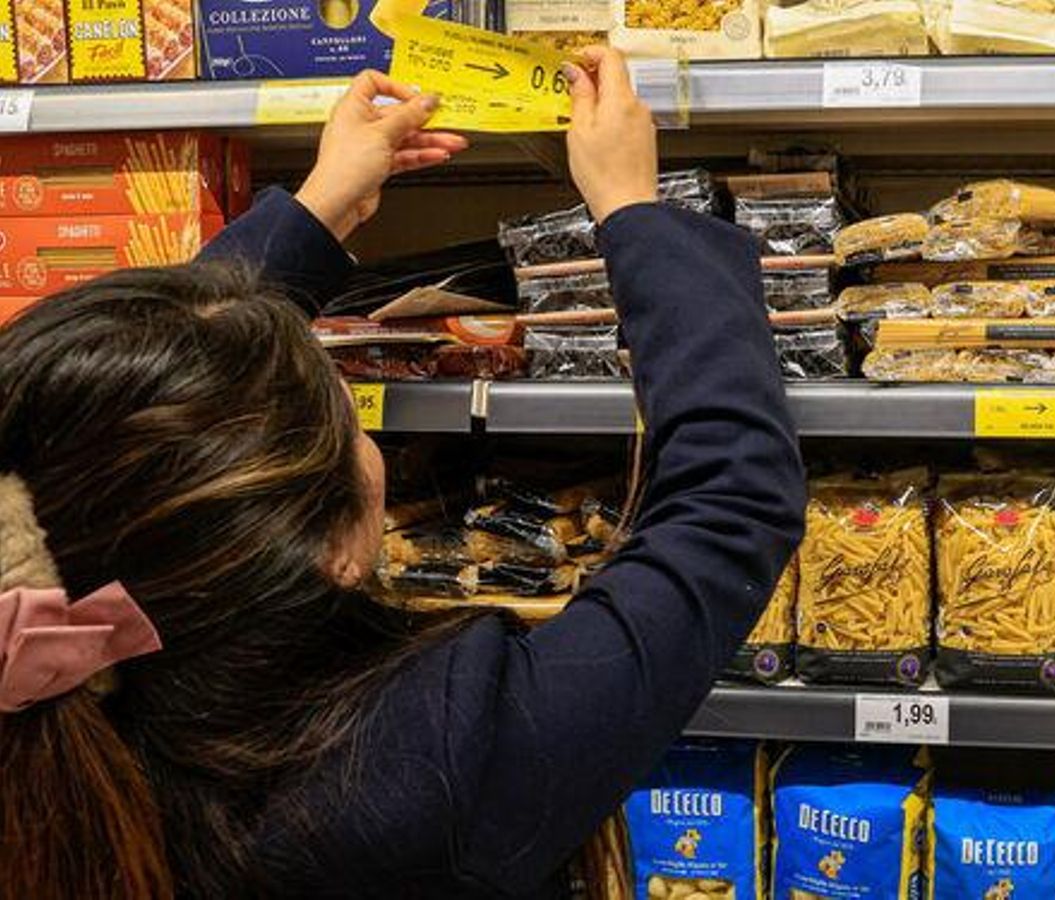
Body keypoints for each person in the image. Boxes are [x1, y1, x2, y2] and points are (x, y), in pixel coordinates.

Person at [0, 48, 805, 900]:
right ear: (336, 555)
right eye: (346, 419)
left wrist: (318, 207)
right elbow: (730, 504)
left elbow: (123, 409)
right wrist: (634, 209)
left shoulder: (63, 728)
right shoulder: (425, 768)